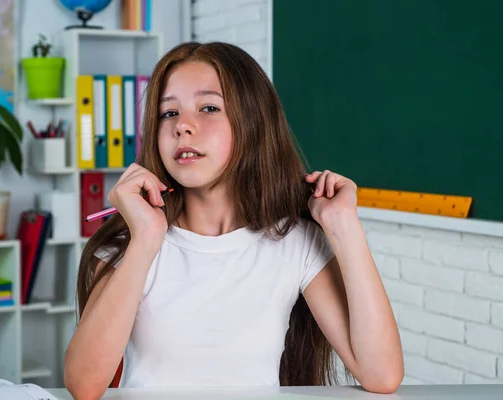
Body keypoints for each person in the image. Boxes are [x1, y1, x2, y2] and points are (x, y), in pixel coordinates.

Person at [63, 41, 404, 400]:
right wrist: (145, 238)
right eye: (168, 113)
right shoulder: (130, 243)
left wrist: (344, 226)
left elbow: (381, 375)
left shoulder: (295, 242)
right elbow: (84, 385)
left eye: (208, 107)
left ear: (253, 122)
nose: (182, 127)